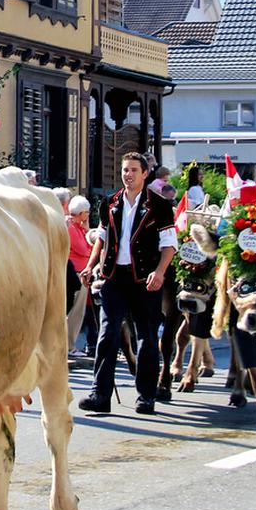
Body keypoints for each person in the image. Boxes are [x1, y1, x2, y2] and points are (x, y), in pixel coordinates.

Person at [79, 152, 177, 415]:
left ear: (145, 174)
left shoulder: (159, 204)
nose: (128, 175)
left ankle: (146, 396)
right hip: (114, 276)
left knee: (145, 337)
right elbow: (101, 236)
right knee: (107, 333)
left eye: (134, 170)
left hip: (145, 278)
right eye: (125, 170)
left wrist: (160, 272)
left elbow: (169, 246)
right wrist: (90, 266)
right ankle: (100, 394)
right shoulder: (110, 202)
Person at [66, 195, 98, 357]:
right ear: (81, 213)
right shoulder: (72, 228)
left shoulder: (78, 227)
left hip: (81, 272)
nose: (89, 215)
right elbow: (85, 249)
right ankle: (69, 344)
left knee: (79, 311)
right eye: (87, 212)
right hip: (77, 273)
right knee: (75, 311)